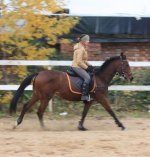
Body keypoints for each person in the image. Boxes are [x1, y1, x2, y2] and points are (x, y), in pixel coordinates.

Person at [71, 34, 94, 101]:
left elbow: (84, 60)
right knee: (87, 77)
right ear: (83, 41)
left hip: (80, 66)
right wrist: (87, 68)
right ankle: (84, 96)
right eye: (87, 41)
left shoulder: (83, 48)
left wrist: (90, 66)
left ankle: (89, 93)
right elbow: (79, 62)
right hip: (77, 67)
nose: (88, 42)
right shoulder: (80, 49)